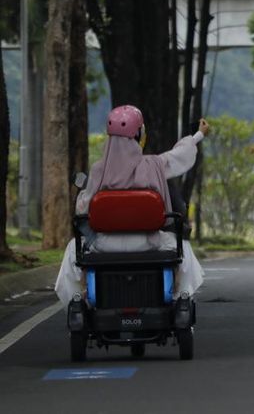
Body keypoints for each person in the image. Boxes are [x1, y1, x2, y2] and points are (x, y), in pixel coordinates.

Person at [55, 105, 209, 305]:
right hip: (148, 242)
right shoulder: (154, 165)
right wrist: (198, 134)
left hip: (103, 246)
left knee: (72, 251)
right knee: (183, 248)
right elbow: (178, 155)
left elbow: (83, 209)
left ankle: (79, 302)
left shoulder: (99, 170)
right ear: (139, 135)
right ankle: (181, 299)